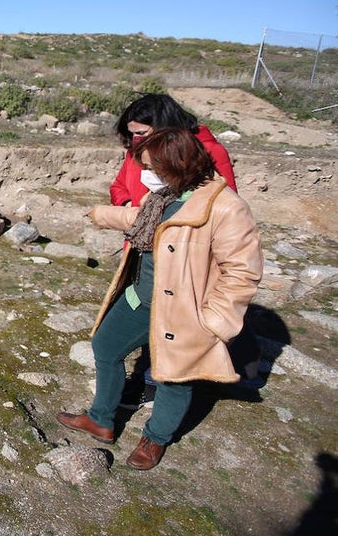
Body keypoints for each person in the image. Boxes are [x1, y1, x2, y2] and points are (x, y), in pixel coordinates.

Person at [57, 127, 262, 470]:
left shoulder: (226, 208)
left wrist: (214, 321)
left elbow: (242, 273)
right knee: (105, 346)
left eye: (153, 168)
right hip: (141, 297)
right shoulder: (166, 195)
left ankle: (156, 438)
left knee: (173, 376)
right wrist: (102, 214)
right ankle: (101, 419)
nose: (147, 175)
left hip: (184, 310)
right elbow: (145, 220)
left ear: (178, 165)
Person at [108, 93, 239, 410]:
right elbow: (119, 186)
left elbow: (226, 205)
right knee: (145, 315)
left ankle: (157, 387)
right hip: (141, 253)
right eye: (132, 134)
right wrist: (131, 207)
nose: (136, 140)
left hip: (184, 260)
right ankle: (146, 378)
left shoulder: (208, 151)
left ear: (165, 127)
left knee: (172, 324)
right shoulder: (137, 151)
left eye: (142, 133)